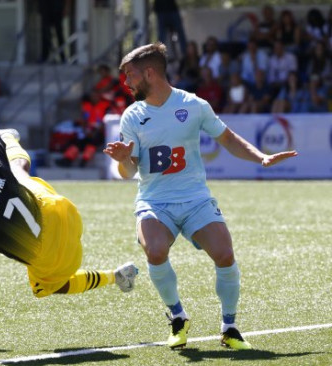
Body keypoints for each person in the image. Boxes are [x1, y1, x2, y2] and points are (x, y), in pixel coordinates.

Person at [0, 94, 139, 360]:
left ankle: (116, 276)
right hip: (62, 209)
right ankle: (10, 140)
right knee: (17, 173)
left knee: (45, 287)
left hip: (59, 255)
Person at [103, 42, 297, 350]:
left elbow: (228, 139)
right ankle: (178, 317)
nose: (126, 83)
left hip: (195, 198)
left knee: (224, 255)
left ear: (150, 73)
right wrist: (123, 159)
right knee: (154, 250)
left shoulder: (193, 105)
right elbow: (129, 172)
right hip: (155, 201)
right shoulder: (131, 116)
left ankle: (229, 328)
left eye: (130, 75)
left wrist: (261, 157)